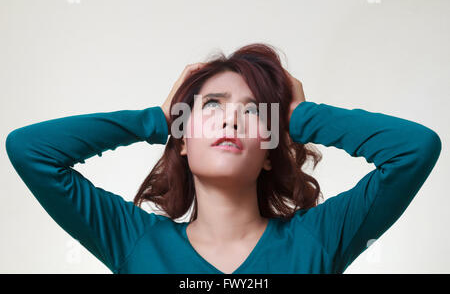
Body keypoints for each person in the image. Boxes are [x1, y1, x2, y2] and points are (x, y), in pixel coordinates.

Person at [5, 43, 441, 274]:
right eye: (211, 104)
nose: (231, 119)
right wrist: (155, 120)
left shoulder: (318, 239)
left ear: (270, 151)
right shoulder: (134, 241)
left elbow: (414, 150)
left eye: (253, 110)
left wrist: (300, 116)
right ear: (181, 138)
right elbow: (31, 151)